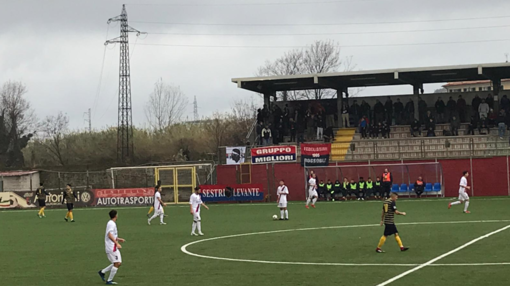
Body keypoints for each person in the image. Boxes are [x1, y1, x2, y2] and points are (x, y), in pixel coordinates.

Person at [98, 210, 125, 285]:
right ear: (116, 216)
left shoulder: (111, 223)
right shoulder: (111, 224)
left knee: (118, 263)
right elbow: (109, 235)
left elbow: (112, 235)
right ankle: (109, 280)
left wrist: (119, 239)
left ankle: (102, 272)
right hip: (111, 247)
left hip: (113, 246)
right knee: (117, 263)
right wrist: (117, 243)